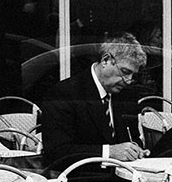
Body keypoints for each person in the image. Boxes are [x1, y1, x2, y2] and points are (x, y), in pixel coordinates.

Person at [41, 32, 149, 169]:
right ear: (105, 60)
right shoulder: (64, 94)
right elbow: (56, 152)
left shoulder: (127, 95)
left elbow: (132, 137)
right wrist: (108, 153)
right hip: (81, 178)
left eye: (133, 75)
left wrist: (136, 149)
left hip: (126, 176)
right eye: (125, 72)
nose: (128, 81)